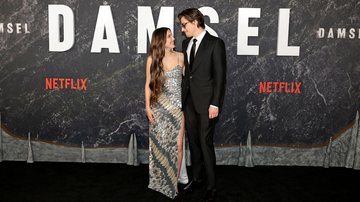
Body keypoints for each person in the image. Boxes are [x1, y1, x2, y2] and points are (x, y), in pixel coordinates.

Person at [178, 8, 227, 202]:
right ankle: (197, 179)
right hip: (189, 102)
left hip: (208, 104)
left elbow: (220, 78)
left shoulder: (216, 44)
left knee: (205, 143)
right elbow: (187, 76)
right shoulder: (185, 43)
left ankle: (211, 186)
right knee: (194, 143)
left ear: (195, 21)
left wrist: (215, 103)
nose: (182, 29)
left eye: (184, 25)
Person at [144, 27, 188, 199]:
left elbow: (189, 82)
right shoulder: (152, 59)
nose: (173, 38)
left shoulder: (181, 57)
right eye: (169, 36)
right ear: (161, 40)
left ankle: (173, 182)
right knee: (160, 146)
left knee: (178, 146)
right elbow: (148, 84)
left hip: (177, 109)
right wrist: (147, 107)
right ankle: (159, 180)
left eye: (172, 35)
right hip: (159, 108)